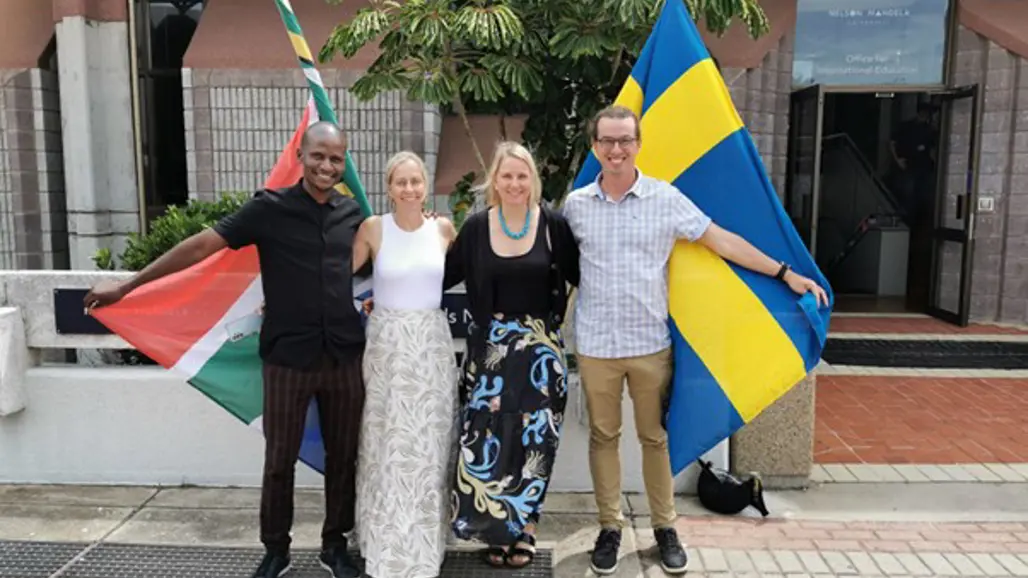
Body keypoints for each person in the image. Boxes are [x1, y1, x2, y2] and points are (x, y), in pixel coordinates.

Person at [83, 122, 368, 578]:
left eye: (336, 159)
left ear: (344, 163)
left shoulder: (352, 215)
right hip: (286, 359)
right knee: (278, 463)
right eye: (319, 155)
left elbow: (396, 254)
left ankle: (334, 546)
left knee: (344, 460)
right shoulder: (268, 209)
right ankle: (276, 550)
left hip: (343, 359)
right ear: (301, 153)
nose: (327, 166)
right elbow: (201, 246)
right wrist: (128, 284)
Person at [562, 105, 828, 576]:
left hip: (649, 345)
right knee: (604, 437)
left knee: (654, 439)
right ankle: (609, 527)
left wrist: (785, 273)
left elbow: (722, 241)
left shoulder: (665, 199)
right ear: (594, 146)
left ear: (638, 144)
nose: (616, 150)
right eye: (607, 141)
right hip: (597, 344)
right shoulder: (576, 205)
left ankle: (665, 528)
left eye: (625, 140)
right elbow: (555, 270)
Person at [444, 142, 580, 569]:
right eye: (507, 176)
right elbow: (439, 277)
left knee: (534, 439)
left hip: (540, 353)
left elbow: (583, 275)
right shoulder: (476, 227)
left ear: (532, 181)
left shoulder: (553, 226)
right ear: (495, 181)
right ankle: (494, 528)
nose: (515, 183)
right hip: (489, 353)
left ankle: (527, 527)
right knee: (488, 437)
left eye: (523, 176)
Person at [350, 151, 459, 578]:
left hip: (430, 347)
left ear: (426, 186)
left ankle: (425, 543)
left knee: (428, 446)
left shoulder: (444, 229)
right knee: (385, 444)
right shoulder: (373, 229)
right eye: (401, 182)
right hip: (386, 349)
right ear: (389, 186)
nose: (410, 189)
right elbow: (337, 275)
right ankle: (383, 540)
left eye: (416, 181)